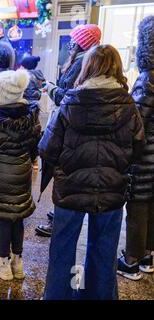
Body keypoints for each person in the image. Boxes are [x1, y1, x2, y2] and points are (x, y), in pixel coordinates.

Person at [40, 45, 145, 300]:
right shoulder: (128, 105)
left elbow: (47, 147)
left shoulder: (71, 101)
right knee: (104, 249)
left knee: (63, 248)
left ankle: (58, 296)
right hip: (112, 188)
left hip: (70, 189)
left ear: (88, 67)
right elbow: (138, 149)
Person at [36, 24, 102, 237]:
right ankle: (59, 215)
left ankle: (60, 221)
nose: (69, 44)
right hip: (75, 126)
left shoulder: (82, 62)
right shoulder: (87, 60)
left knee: (64, 173)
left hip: (69, 126)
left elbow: (69, 97)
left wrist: (51, 89)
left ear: (80, 43)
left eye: (74, 40)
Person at [0, 69, 41, 280]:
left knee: (3, 219)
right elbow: (35, 149)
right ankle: (18, 263)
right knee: (18, 217)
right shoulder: (31, 118)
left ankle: (3, 265)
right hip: (22, 173)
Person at [117, 15, 154, 281]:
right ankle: (147, 257)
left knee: (138, 207)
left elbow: (137, 120)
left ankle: (131, 260)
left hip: (146, 156)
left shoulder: (148, 78)